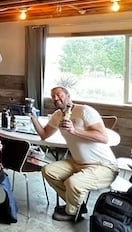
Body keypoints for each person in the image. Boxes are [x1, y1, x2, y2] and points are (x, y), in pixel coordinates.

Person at [31, 86, 118, 222]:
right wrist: (32, 117)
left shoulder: (85, 111)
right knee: (48, 171)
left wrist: (75, 131)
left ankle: (72, 212)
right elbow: (44, 135)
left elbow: (103, 137)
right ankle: (77, 204)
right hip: (78, 163)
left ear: (68, 96)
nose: (56, 98)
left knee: (73, 183)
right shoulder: (57, 115)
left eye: (59, 95)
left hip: (103, 165)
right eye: (53, 96)